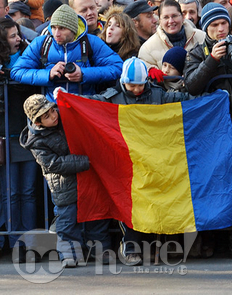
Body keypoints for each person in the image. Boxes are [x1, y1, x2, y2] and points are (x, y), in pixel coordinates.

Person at [79, 57, 197, 265]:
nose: (135, 89)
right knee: (129, 203)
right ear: (123, 82)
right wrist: (66, 97)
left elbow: (185, 98)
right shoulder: (112, 97)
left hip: (155, 159)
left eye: (140, 85)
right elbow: (89, 102)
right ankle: (131, 245)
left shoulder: (159, 94)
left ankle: (167, 245)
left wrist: (213, 97)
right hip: (126, 162)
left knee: (163, 199)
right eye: (131, 85)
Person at [184, 2, 232, 258]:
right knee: (214, 185)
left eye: (223, 24)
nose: (219, 29)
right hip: (212, 134)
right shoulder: (196, 52)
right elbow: (191, 86)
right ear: (206, 28)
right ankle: (212, 240)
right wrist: (212, 60)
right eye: (214, 25)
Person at [19, 94, 90, 268]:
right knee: (66, 220)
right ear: (37, 123)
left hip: (79, 177)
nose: (53, 116)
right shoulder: (36, 141)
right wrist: (85, 161)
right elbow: (53, 164)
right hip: (62, 185)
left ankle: (79, 253)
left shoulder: (61, 118)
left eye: (52, 111)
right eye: (47, 116)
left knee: (82, 216)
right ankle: (67, 254)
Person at [11, 4, 123, 103]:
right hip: (50, 111)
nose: (56, 33)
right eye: (53, 27)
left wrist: (83, 74)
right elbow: (17, 71)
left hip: (84, 107)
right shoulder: (41, 43)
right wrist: (48, 74)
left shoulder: (91, 42)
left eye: (62, 28)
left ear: (73, 29)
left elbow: (118, 67)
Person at [0, 18, 39, 263]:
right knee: (11, 193)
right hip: (6, 135)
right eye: (12, 36)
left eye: (17, 34)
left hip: (27, 134)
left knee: (29, 192)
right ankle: (14, 243)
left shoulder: (28, 58)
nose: (18, 38)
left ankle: (30, 243)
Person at [138, 0, 205, 81]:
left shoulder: (201, 37)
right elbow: (142, 65)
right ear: (160, 20)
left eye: (174, 16)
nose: (171, 21)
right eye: (166, 17)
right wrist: (150, 69)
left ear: (183, 17)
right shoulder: (147, 48)